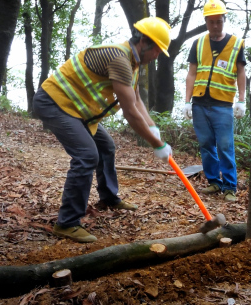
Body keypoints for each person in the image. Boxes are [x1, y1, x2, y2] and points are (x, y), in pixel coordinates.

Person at [33, 16, 174, 243]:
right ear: (144, 42)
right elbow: (129, 112)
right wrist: (157, 144)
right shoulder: (119, 58)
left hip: (79, 112)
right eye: (157, 50)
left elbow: (137, 100)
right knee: (87, 155)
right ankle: (67, 223)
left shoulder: (133, 63)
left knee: (106, 146)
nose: (157, 55)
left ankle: (109, 197)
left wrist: (153, 128)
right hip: (55, 102)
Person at [183, 0, 247, 202]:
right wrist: (186, 101)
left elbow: (241, 72)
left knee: (225, 145)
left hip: (223, 104)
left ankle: (229, 186)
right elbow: (192, 72)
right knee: (206, 144)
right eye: (211, 22)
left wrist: (242, 100)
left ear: (224, 20)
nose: (215, 25)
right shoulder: (198, 43)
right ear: (206, 22)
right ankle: (213, 182)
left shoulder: (236, 44)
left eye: (219, 21)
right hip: (200, 102)